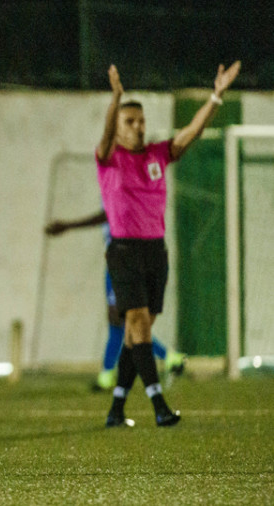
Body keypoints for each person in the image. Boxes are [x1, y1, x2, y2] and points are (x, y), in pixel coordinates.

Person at [97, 62, 240, 428]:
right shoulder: (110, 158)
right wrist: (115, 98)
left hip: (155, 251)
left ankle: (116, 409)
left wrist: (215, 97)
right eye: (129, 122)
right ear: (117, 127)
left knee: (136, 333)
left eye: (141, 120)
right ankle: (158, 403)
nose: (138, 126)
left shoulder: (157, 155)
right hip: (125, 251)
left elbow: (190, 133)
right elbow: (105, 138)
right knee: (138, 324)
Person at [45, 209, 185, 391]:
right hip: (118, 261)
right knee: (118, 321)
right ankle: (108, 374)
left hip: (123, 262)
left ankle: (167, 358)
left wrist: (69, 225)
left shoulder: (117, 186)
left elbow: (109, 213)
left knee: (123, 318)